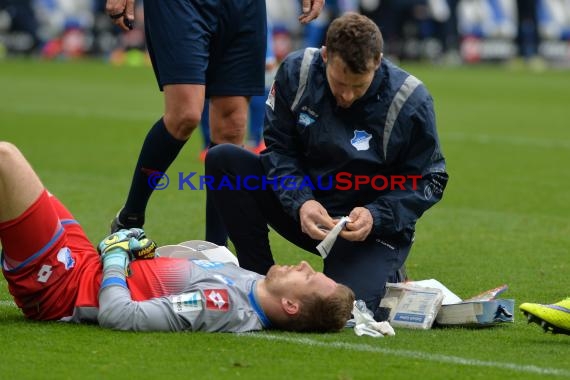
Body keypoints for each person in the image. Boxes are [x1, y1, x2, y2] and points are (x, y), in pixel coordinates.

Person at [205, 13, 449, 320]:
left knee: (348, 311)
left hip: (368, 230)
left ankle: (389, 274)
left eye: (358, 86)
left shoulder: (411, 101)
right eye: (339, 82)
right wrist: (301, 201)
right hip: (307, 209)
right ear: (325, 56)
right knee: (224, 160)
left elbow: (430, 179)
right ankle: (258, 278)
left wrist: (376, 215)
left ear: (378, 62)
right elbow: (279, 150)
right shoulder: (297, 72)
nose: (346, 95)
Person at [0, 142, 354, 332]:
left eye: (309, 277)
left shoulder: (220, 305)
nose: (306, 264)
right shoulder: (252, 285)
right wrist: (136, 250)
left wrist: (117, 256)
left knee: (6, 159)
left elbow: (120, 316)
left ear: (291, 306)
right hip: (85, 263)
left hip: (63, 287)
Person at [104, 0, 325, 234]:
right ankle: (131, 216)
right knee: (185, 115)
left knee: (232, 126)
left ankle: (216, 250)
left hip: (244, 7)